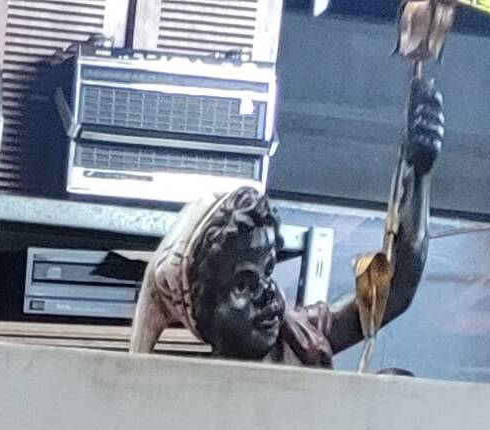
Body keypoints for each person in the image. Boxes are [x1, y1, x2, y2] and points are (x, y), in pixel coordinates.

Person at [128, 76, 448, 368]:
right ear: (201, 312)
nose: (267, 294)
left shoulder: (300, 339)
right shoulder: (183, 390)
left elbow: (395, 289)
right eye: (243, 285)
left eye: (267, 272)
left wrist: (416, 171)